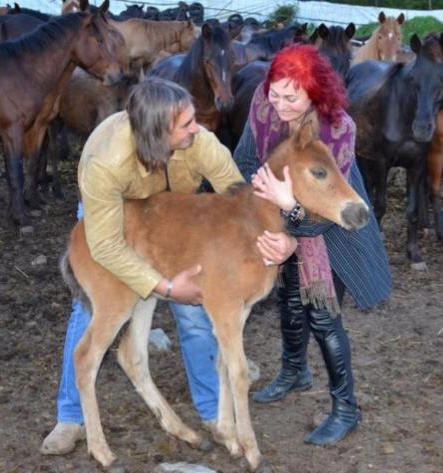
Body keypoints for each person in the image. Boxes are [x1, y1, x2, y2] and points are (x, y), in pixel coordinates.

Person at [40, 77, 298, 455]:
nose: (199, 128)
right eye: (187, 124)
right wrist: (165, 287)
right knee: (95, 310)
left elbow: (240, 206)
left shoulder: (202, 144)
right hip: (110, 214)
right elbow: (107, 245)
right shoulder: (105, 164)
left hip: (172, 210)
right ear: (159, 133)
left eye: (194, 119)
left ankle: (213, 412)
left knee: (196, 310)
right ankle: (70, 416)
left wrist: (275, 240)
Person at [233, 44, 392, 445]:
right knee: (287, 296)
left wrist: (290, 221)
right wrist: (269, 214)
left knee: (323, 313)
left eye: (292, 97)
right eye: (276, 93)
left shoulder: (337, 129)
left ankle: (346, 408)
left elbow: (324, 208)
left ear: (313, 95)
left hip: (333, 220)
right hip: (274, 211)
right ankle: (293, 370)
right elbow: (248, 159)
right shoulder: (264, 103)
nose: (280, 104)